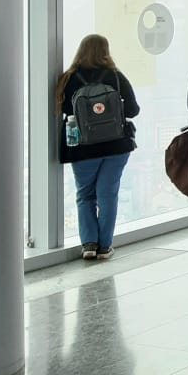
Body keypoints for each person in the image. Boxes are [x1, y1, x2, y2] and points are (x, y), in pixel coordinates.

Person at [56, 34, 140, 261]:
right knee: (108, 195)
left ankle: (89, 245)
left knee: (84, 195)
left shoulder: (69, 78)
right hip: (116, 146)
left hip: (82, 147)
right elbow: (133, 110)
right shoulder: (115, 76)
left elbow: (64, 109)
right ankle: (105, 247)